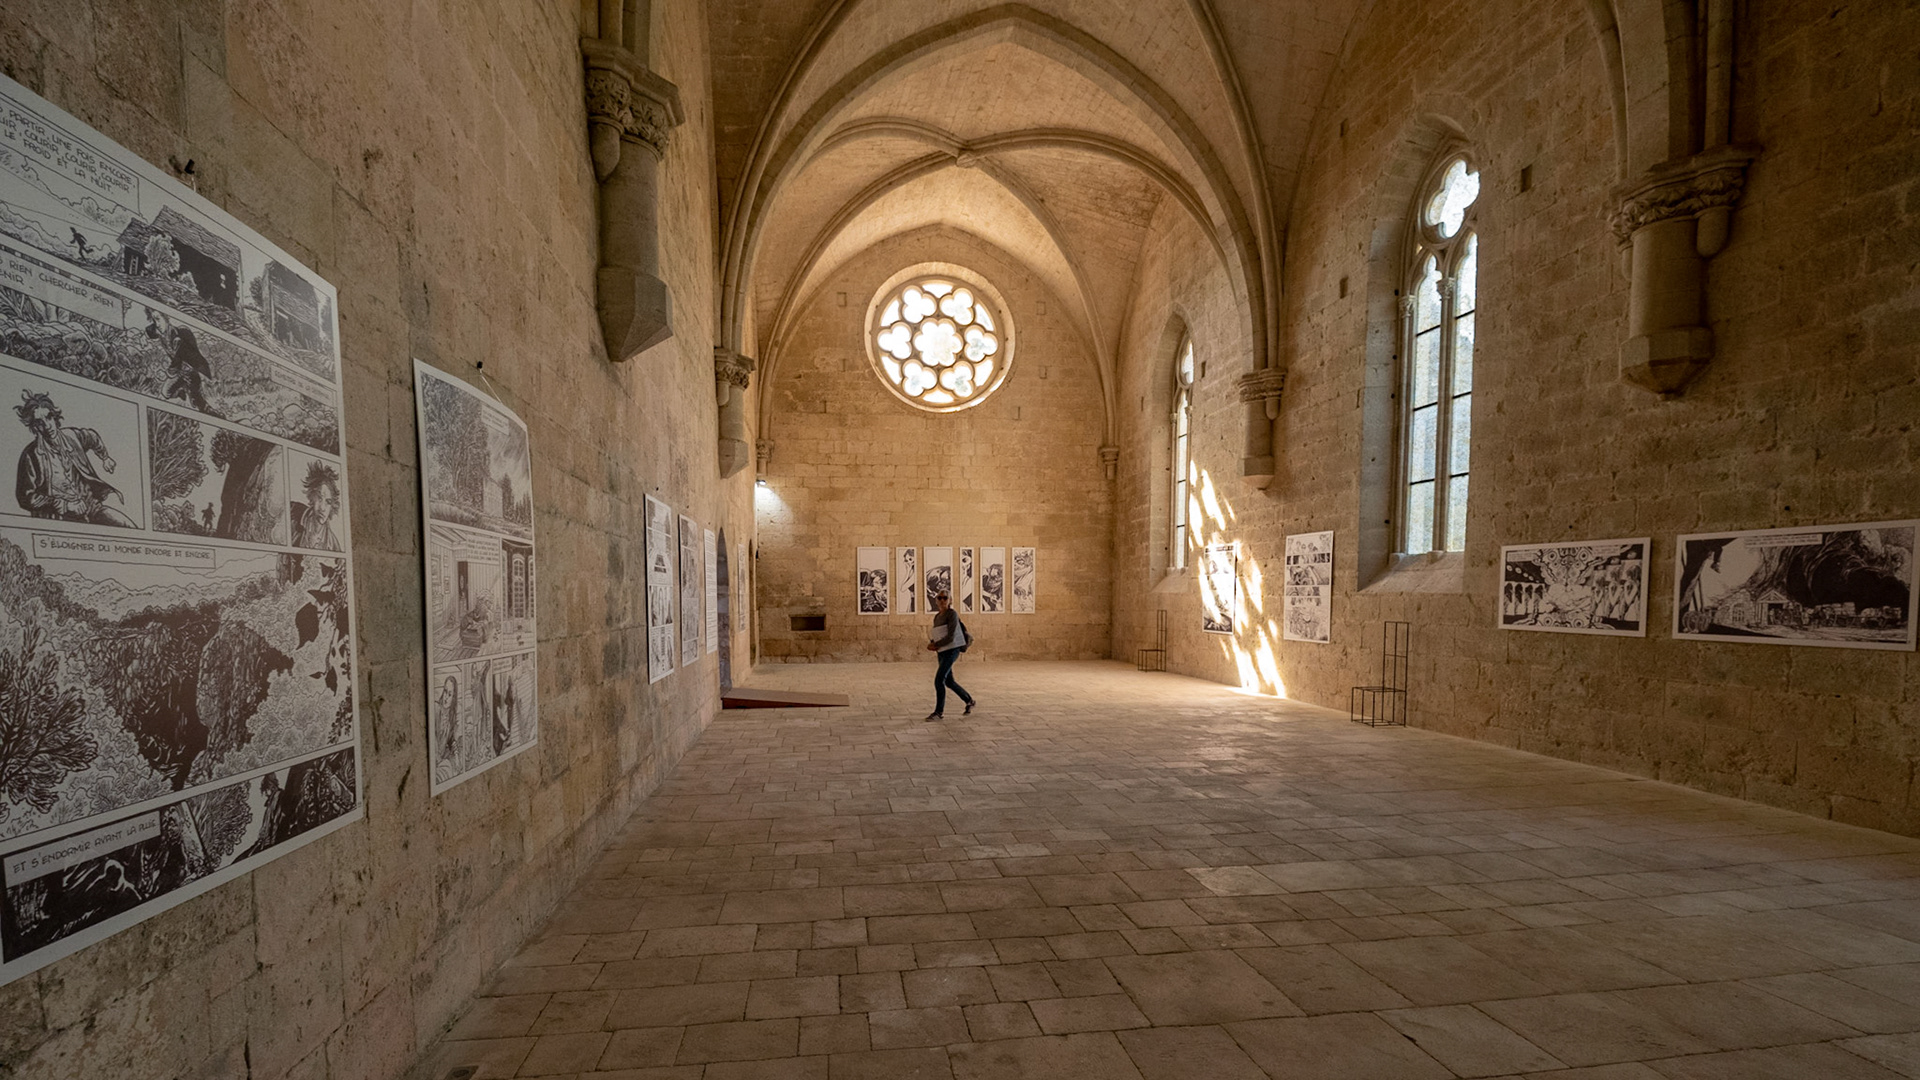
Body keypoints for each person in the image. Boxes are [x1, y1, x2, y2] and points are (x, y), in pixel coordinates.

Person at [14, 391, 134, 527]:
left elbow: (92, 437)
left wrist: (105, 457)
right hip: (60, 518)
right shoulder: (31, 455)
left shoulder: (72, 436)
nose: (47, 426)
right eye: (40, 422)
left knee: (128, 526)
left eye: (49, 417)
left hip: (91, 507)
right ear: (34, 426)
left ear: (55, 416)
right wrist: (64, 505)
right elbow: (26, 498)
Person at [923, 591, 975, 720]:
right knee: (949, 681)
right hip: (942, 651)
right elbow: (938, 634)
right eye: (939, 598)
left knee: (939, 680)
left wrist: (936, 644)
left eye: (945, 598)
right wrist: (933, 644)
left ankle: (938, 712)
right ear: (936, 600)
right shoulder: (937, 616)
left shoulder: (952, 614)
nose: (942, 600)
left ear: (950, 600)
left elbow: (951, 636)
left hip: (952, 650)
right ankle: (969, 701)